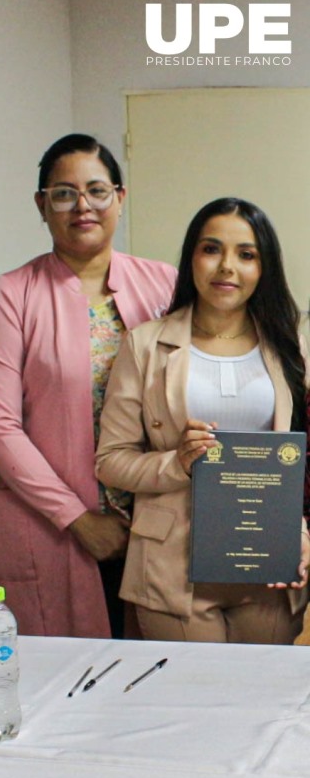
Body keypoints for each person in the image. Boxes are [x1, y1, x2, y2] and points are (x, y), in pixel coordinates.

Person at [0, 134, 176, 638]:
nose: (83, 206)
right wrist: (79, 519)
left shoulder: (165, 285)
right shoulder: (9, 297)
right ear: (42, 205)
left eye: (97, 191)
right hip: (46, 527)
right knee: (59, 683)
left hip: (154, 525)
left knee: (156, 672)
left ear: (120, 198)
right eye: (64, 193)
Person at [96, 197, 309, 644]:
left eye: (246, 254)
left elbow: (301, 463)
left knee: (264, 703)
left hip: (268, 564)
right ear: (191, 256)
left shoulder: (291, 344)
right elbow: (111, 461)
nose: (227, 267)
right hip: (173, 568)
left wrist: (302, 531)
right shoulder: (145, 345)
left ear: (264, 266)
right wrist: (177, 462)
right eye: (212, 249)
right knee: (191, 704)